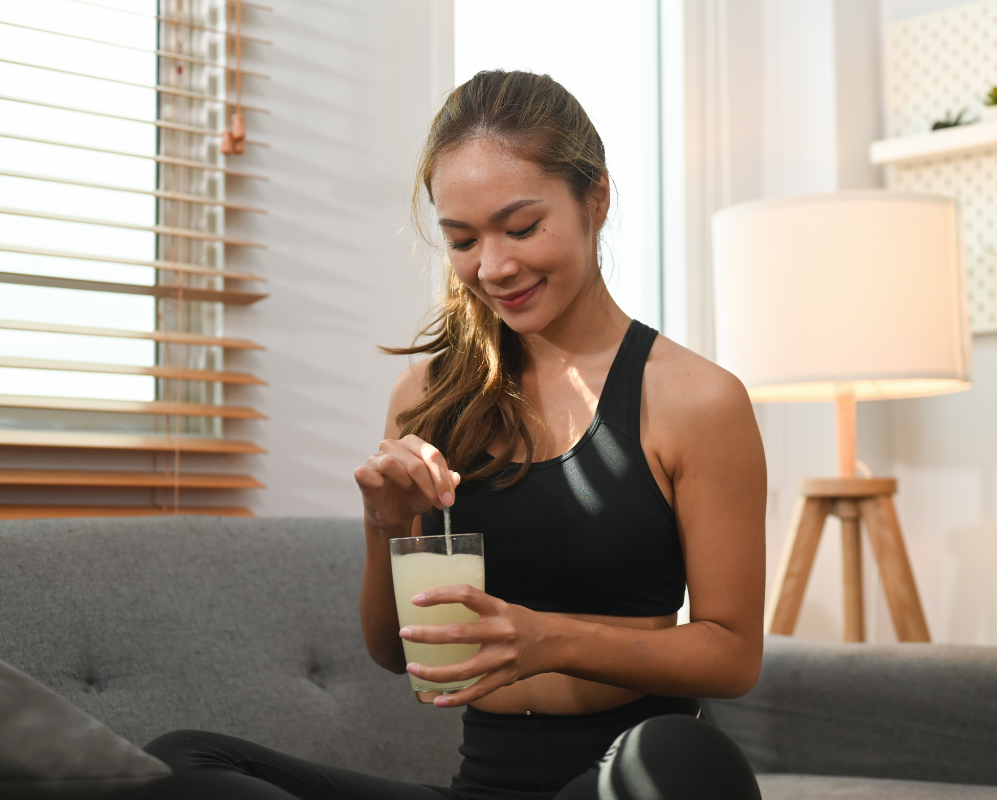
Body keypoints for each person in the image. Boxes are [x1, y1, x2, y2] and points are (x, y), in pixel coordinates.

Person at [138, 70, 766, 800]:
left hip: (619, 778)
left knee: (684, 761)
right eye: (463, 240)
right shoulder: (429, 398)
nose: (494, 267)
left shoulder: (696, 399)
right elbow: (391, 650)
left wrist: (550, 639)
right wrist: (386, 524)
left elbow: (732, 655)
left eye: (522, 227)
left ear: (596, 197)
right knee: (179, 762)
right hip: (482, 785)